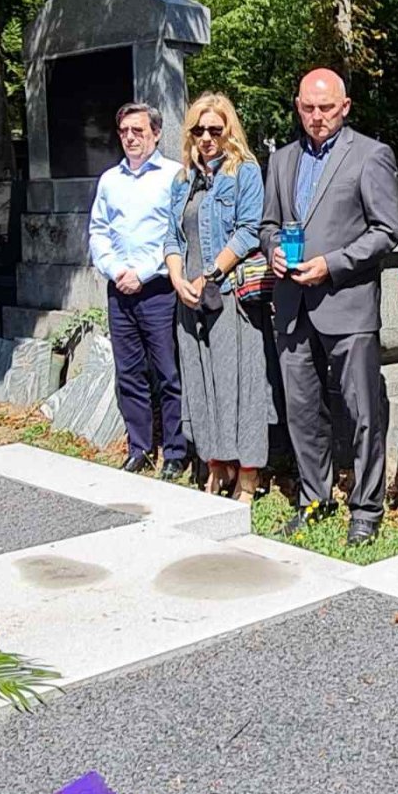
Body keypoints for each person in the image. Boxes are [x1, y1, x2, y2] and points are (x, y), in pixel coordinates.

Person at [260, 68, 398, 546]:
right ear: (297, 107)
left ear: (345, 107)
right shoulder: (282, 159)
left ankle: (366, 508)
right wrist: (273, 250)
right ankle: (314, 499)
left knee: (363, 412)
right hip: (292, 304)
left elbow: (386, 230)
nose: (316, 116)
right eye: (308, 107)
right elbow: (267, 225)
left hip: (347, 303)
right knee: (301, 410)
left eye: (326, 107)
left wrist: (332, 264)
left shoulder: (370, 155)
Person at [164, 92, 274, 504]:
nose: (207, 137)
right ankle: (216, 463)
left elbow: (249, 231)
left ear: (230, 130)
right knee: (201, 384)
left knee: (240, 385)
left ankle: (248, 473)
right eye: (199, 130)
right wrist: (178, 278)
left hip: (228, 295)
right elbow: (172, 236)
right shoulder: (182, 181)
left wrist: (210, 273)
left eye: (215, 129)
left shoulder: (244, 171)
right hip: (190, 299)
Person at [88, 103, 187, 477]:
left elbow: (176, 234)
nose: (130, 138)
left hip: (158, 288)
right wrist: (115, 270)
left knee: (168, 373)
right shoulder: (109, 180)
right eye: (124, 131)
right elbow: (98, 231)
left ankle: (175, 451)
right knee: (129, 373)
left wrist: (142, 273)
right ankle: (140, 448)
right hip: (120, 289)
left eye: (138, 131)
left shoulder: (174, 176)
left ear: (156, 134)